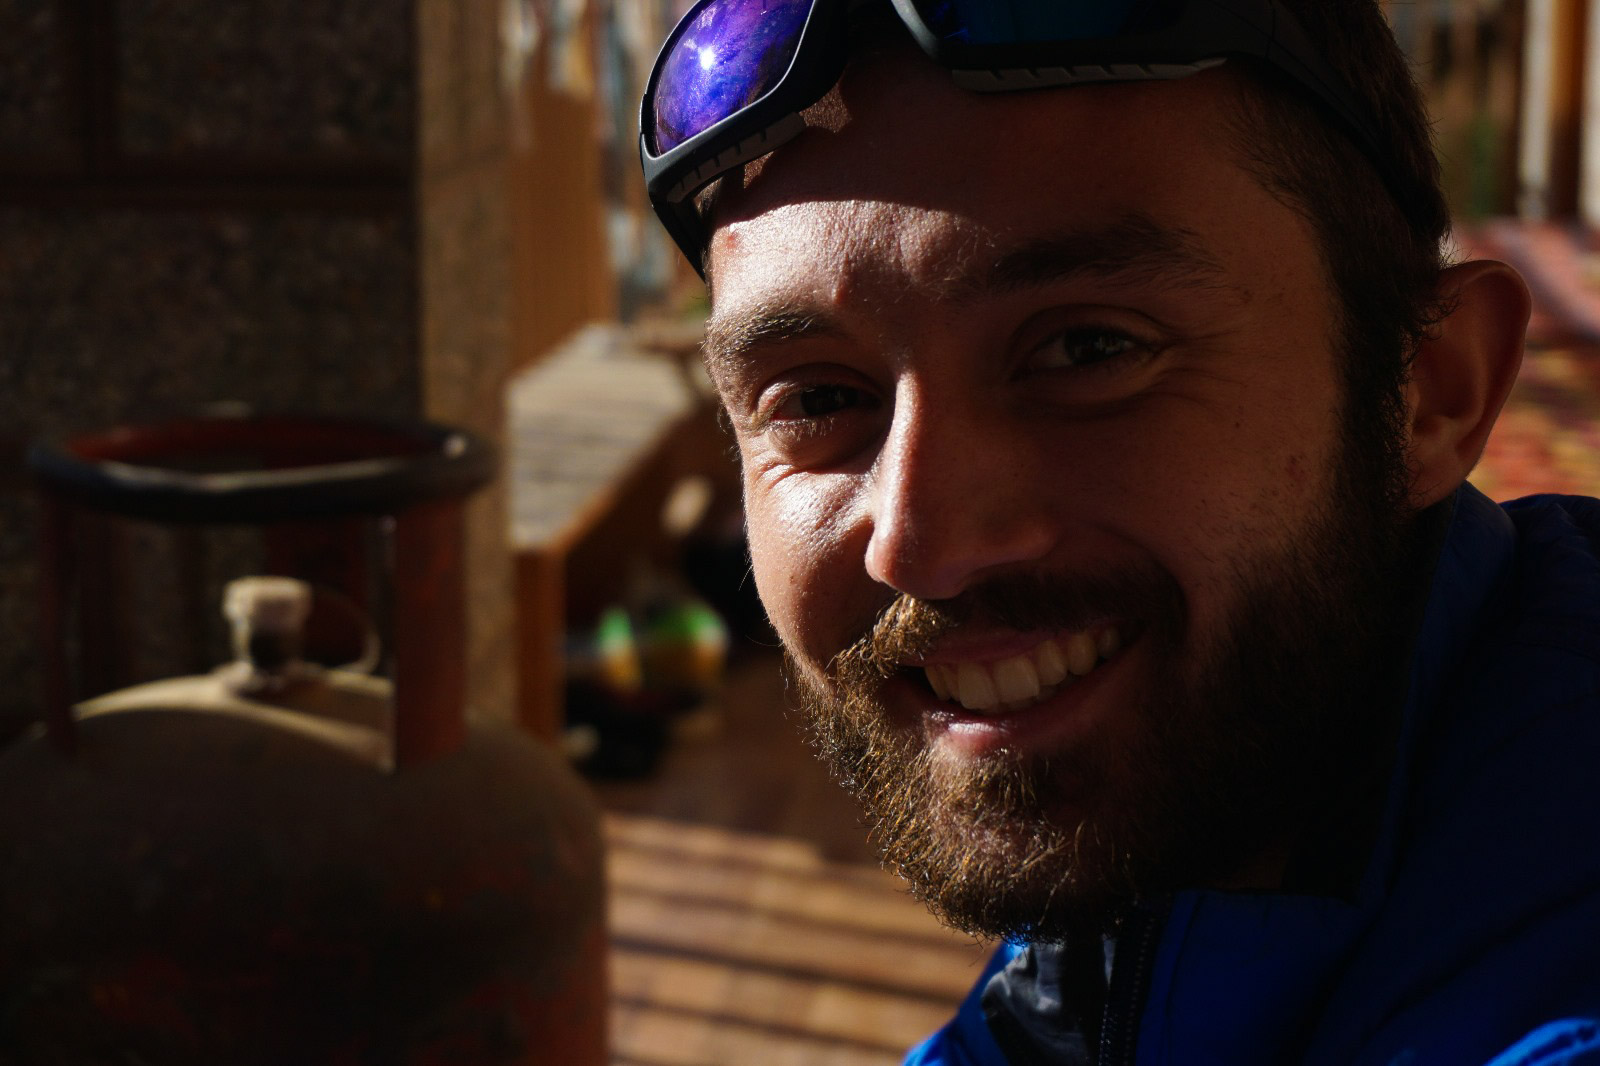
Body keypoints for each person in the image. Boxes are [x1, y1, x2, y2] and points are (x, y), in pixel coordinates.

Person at [637, 2, 1600, 1063]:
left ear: (1430, 393)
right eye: (818, 399)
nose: (920, 544)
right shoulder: (1189, 848)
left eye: (1089, 349)